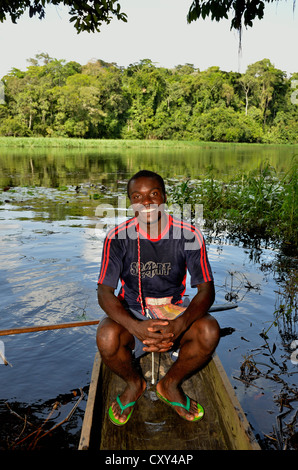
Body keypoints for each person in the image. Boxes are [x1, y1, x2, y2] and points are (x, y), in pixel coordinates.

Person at [96, 170, 220, 425]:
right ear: (130, 203)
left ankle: (170, 384)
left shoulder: (189, 235)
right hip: (133, 312)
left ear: (164, 197)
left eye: (153, 194)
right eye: (137, 196)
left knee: (209, 332)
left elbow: (206, 290)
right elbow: (104, 292)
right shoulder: (117, 237)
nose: (147, 202)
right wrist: (135, 327)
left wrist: (180, 324)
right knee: (107, 337)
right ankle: (134, 383)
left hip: (173, 312)